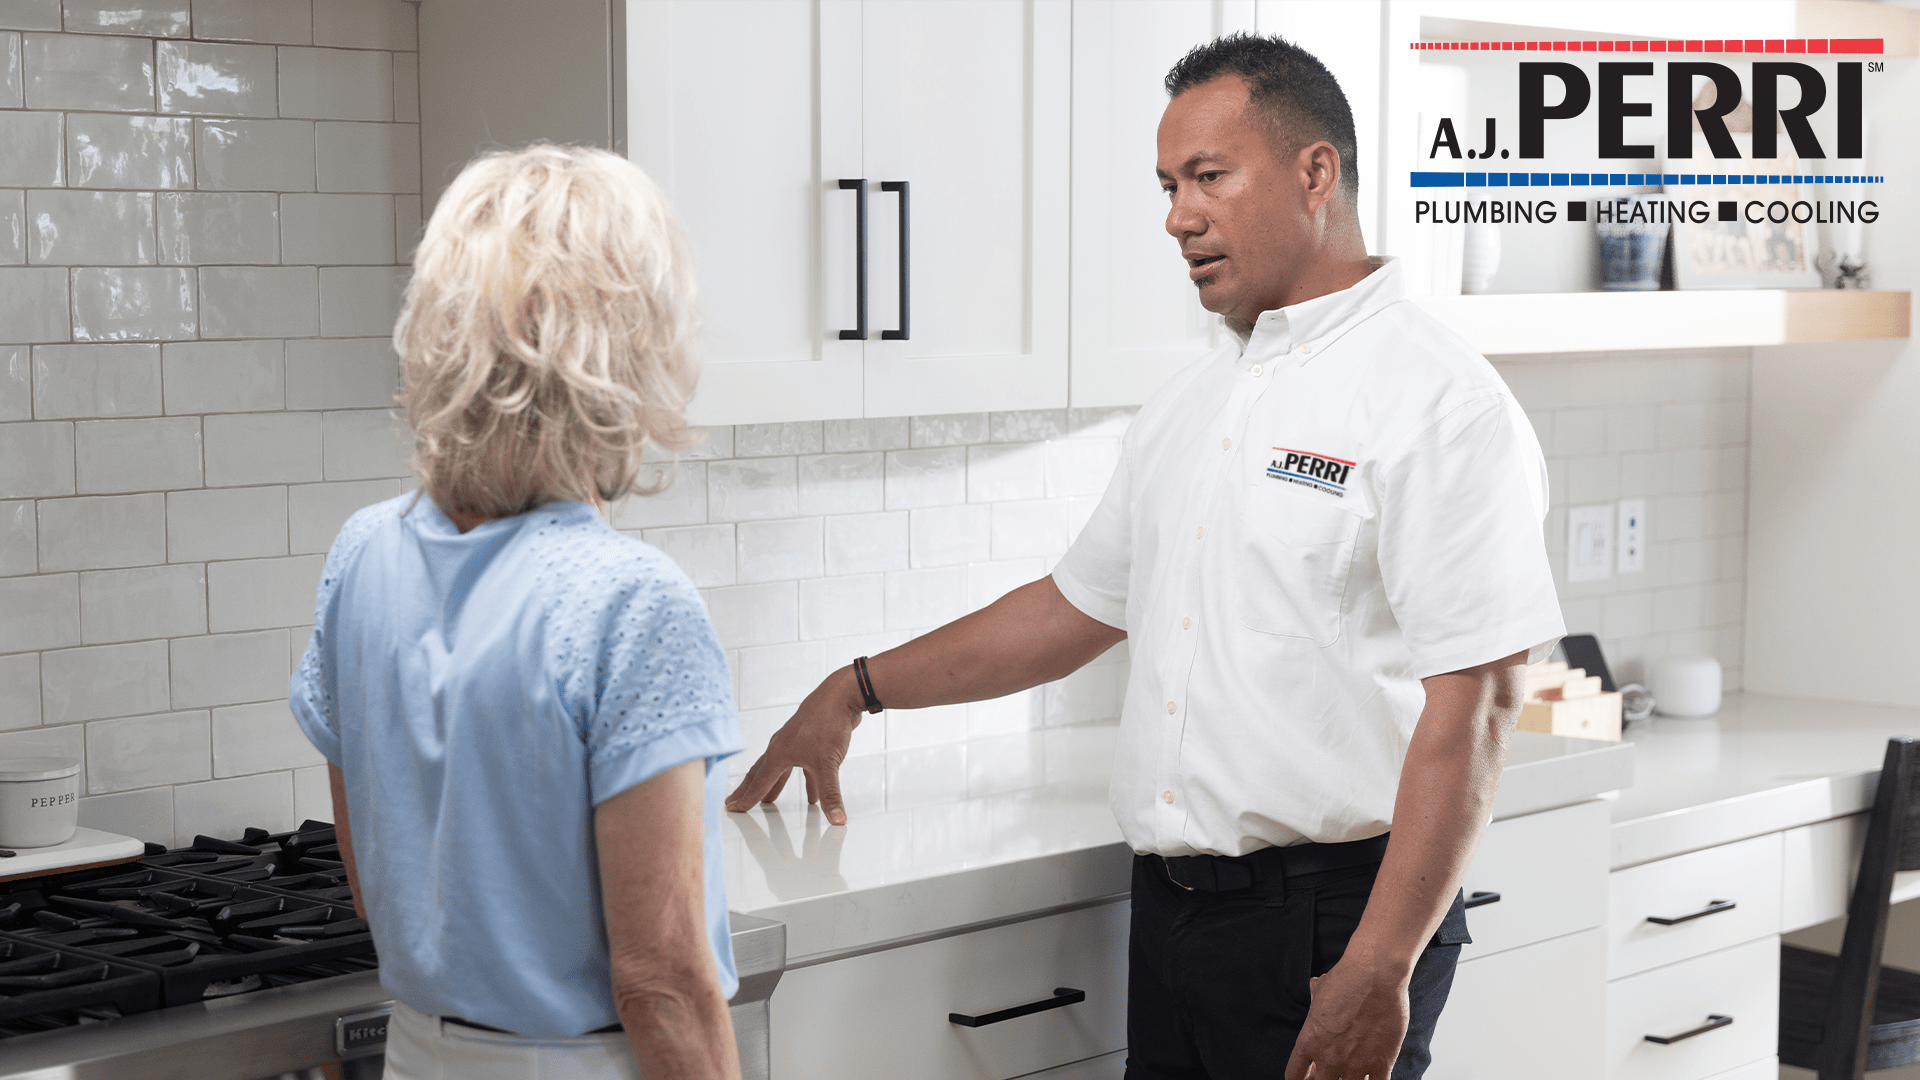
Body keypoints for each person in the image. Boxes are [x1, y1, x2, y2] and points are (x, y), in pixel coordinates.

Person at [724, 33, 1564, 1080]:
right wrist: (856, 689)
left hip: (1332, 924)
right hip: (1170, 916)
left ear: (1316, 173)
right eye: (1169, 186)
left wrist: (1382, 963)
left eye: (1210, 177)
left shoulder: (1440, 400)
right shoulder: (1193, 404)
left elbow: (1478, 702)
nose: (1178, 216)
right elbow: (1070, 610)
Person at [289, 143, 744, 1080]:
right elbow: (661, 981)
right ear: (629, 346)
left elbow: (377, 890)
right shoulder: (631, 603)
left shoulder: (364, 554)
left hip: (417, 1054)